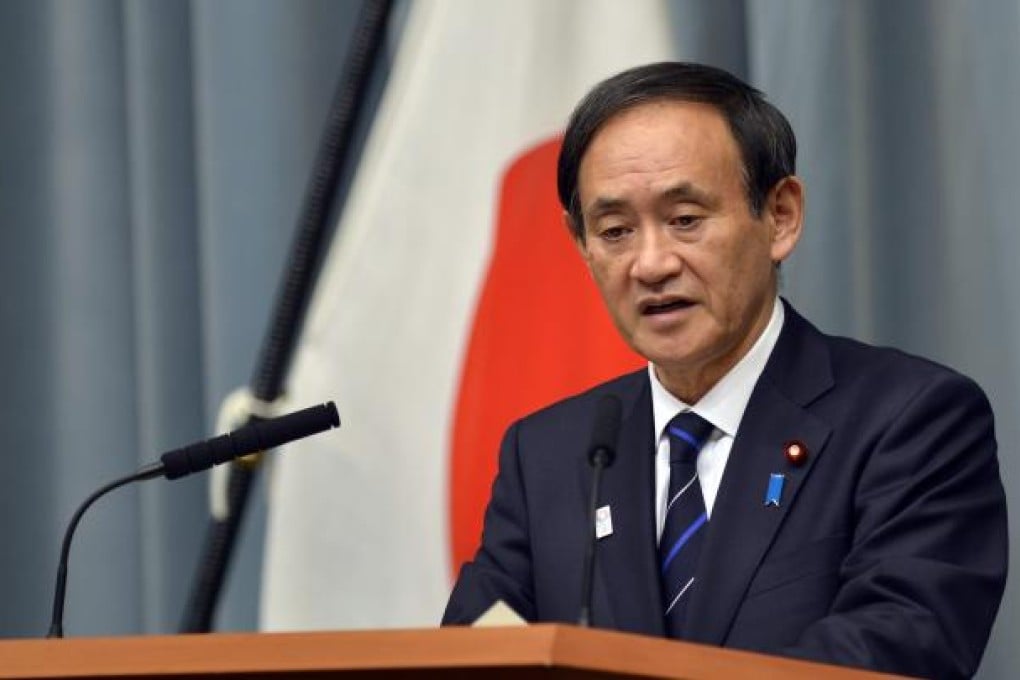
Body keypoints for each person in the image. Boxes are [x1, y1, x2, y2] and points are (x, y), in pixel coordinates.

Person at [442, 62, 1008, 678]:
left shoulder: (911, 420)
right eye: (615, 231)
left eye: (685, 220)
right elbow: (480, 644)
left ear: (781, 215)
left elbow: (899, 645)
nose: (650, 264)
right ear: (582, 245)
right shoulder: (551, 452)